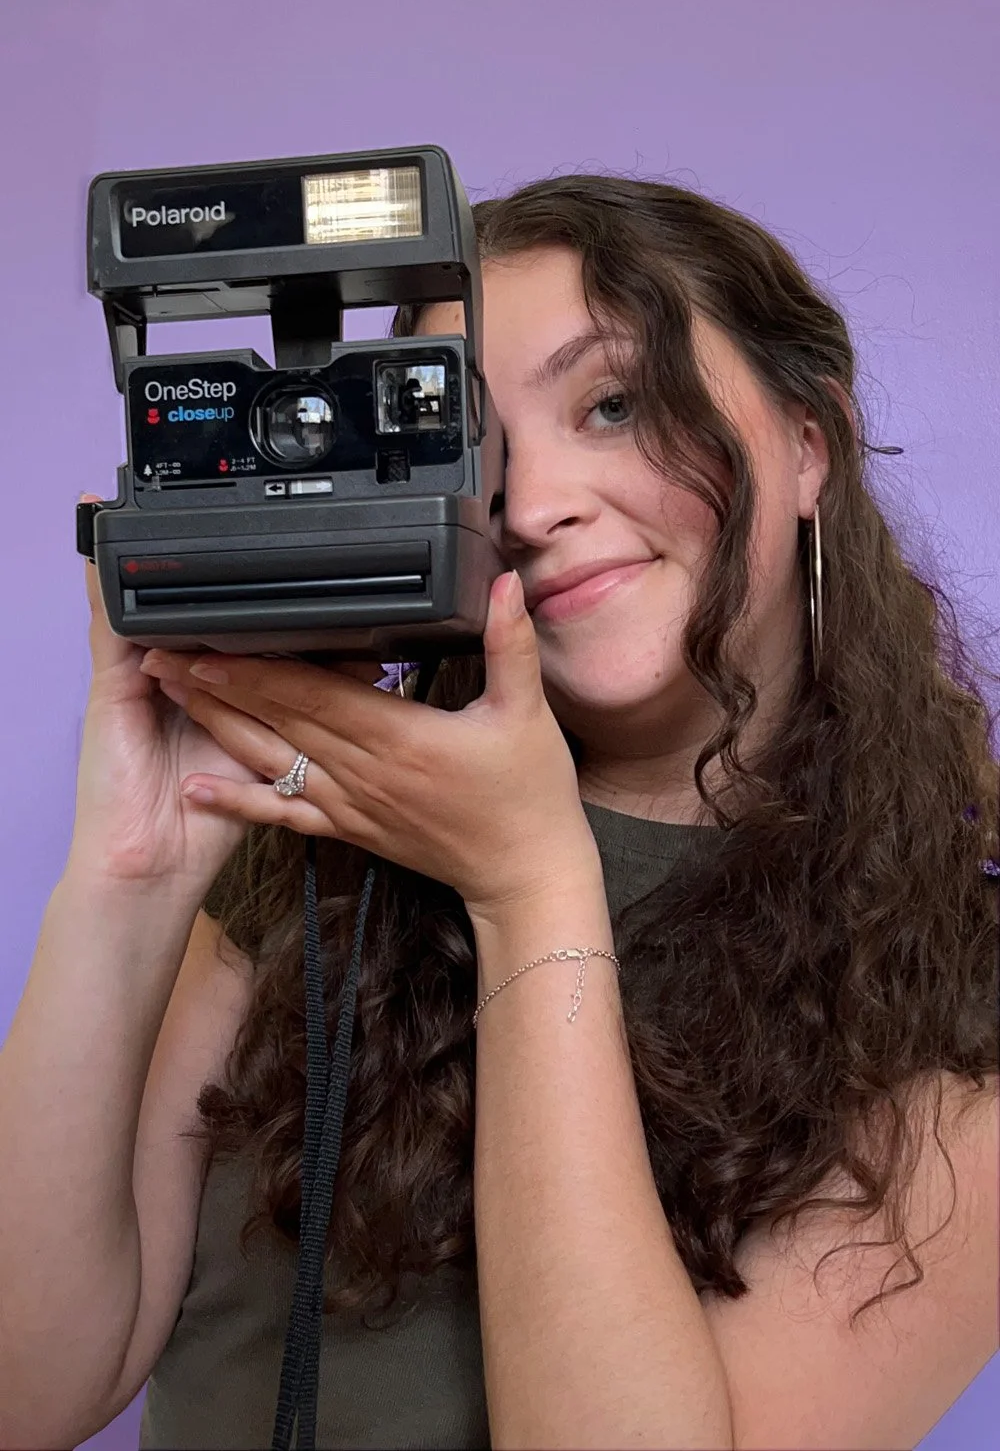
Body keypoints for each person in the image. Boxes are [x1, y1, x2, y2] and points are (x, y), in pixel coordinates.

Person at [1, 173, 997, 1451]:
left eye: (616, 404)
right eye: (462, 441)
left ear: (810, 444)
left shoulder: (961, 991)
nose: (532, 510)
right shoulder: (315, 836)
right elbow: (28, 1390)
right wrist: (126, 880)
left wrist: (530, 894)